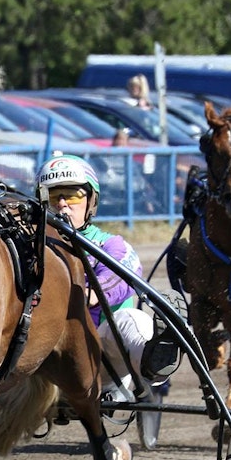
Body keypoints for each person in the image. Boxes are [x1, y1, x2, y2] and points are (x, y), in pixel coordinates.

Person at [35, 154, 182, 395]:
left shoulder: (111, 245)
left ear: (90, 200)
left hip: (98, 357)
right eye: (53, 195)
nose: (62, 204)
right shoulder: (30, 247)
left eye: (72, 195)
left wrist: (86, 295)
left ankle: (153, 361)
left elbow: (122, 277)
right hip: (42, 358)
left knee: (132, 319)